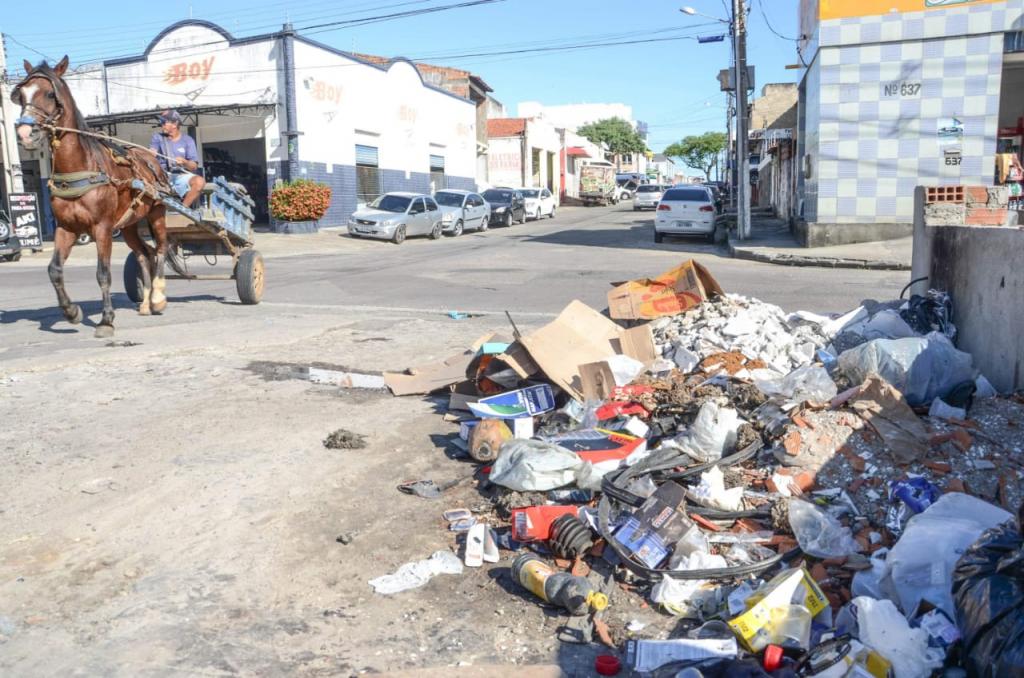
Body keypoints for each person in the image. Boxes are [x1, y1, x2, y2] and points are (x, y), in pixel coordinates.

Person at [149, 110, 205, 207]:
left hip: (180, 176)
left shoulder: (188, 140)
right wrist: (151, 154)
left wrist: (185, 162)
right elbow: (152, 151)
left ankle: (183, 209)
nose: (161, 125)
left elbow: (193, 166)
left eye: (164, 122)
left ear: (175, 124)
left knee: (200, 182)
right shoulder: (157, 137)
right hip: (162, 177)